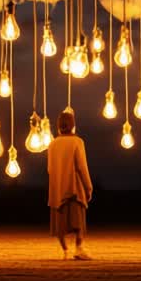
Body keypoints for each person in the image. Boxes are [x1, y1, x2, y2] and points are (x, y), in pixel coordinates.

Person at [46, 109, 93, 260]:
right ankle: (79, 248)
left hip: (57, 189)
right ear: (73, 126)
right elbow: (82, 167)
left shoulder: (52, 144)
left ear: (58, 126)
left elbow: (49, 169)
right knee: (78, 220)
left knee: (60, 223)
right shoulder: (77, 142)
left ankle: (65, 250)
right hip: (74, 188)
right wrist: (88, 186)